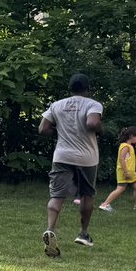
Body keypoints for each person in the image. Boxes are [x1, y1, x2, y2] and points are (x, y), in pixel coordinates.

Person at [40, 73, 103, 256]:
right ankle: (83, 234)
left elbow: (43, 129)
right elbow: (92, 122)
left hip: (61, 156)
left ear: (70, 89)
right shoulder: (92, 104)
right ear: (88, 89)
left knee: (57, 195)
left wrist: (58, 129)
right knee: (86, 194)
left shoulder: (57, 105)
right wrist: (100, 129)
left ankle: (50, 229)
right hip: (87, 158)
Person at [100, 126, 136, 212]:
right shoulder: (125, 146)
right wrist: (125, 172)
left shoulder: (129, 146)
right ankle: (105, 204)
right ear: (131, 136)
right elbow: (121, 159)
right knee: (120, 188)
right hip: (124, 172)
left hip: (130, 172)